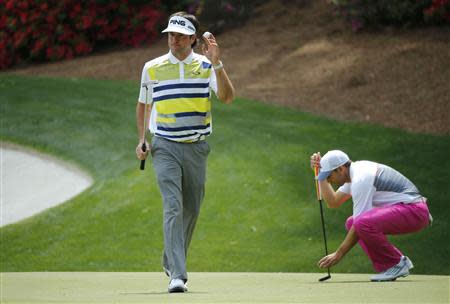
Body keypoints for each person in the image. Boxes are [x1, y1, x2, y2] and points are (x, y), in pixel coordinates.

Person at [135, 12, 235, 293]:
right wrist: (142, 139)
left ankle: (170, 258)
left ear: (193, 38)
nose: (173, 39)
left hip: (196, 147)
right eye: (170, 34)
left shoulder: (205, 66)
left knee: (191, 209)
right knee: (173, 206)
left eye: (179, 35)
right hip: (164, 146)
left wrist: (218, 64)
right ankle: (177, 275)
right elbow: (143, 104)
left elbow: (227, 97)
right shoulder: (152, 67)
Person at [310, 150, 432, 282]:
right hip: (410, 210)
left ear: (340, 169)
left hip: (414, 211)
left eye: (328, 176)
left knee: (361, 223)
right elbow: (333, 202)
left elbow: (360, 223)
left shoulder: (361, 178)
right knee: (352, 223)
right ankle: (392, 265)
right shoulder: (355, 173)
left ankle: (395, 263)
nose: (329, 181)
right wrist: (320, 176)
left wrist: (338, 254)